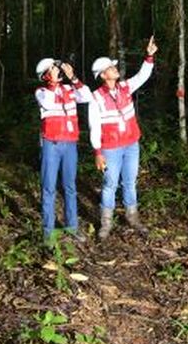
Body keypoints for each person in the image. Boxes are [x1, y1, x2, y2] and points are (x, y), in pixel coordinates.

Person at [89, 35, 157, 240]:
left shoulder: (125, 87)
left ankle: (132, 217)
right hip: (110, 147)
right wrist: (98, 152)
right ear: (103, 75)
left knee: (130, 182)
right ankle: (106, 223)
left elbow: (142, 76)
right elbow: (94, 126)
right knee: (110, 183)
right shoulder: (96, 97)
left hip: (131, 144)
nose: (115, 69)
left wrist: (149, 56)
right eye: (111, 68)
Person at [34, 57, 93, 244]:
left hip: (70, 144)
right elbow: (49, 104)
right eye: (52, 69)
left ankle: (71, 226)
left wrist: (73, 77)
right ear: (45, 75)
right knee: (49, 187)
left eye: (56, 69)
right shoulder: (42, 91)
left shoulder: (69, 89)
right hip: (51, 144)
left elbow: (87, 97)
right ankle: (48, 232)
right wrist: (52, 82)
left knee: (70, 187)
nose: (57, 71)